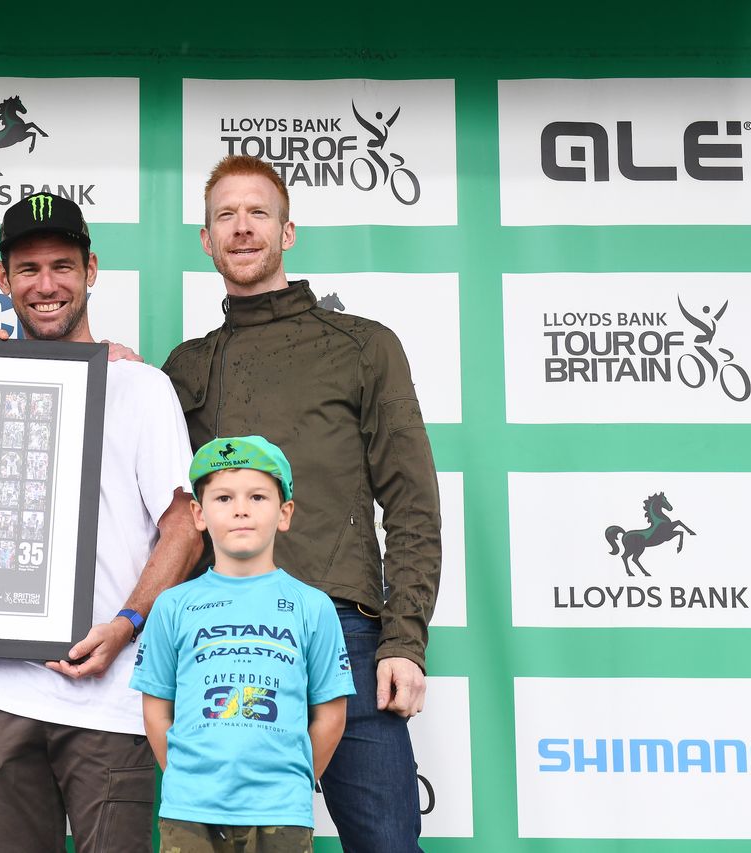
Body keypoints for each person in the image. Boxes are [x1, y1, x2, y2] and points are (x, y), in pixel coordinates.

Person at [162, 155, 441, 853]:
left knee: (386, 846)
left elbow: (412, 503)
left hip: (343, 635)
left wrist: (404, 638)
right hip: (223, 641)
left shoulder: (364, 347)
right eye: (225, 215)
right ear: (205, 239)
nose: (243, 227)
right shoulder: (185, 367)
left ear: (289, 232)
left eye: (259, 212)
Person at [0, 192, 202, 853]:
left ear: (92, 269)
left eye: (63, 264)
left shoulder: (142, 387)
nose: (47, 284)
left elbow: (184, 525)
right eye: (27, 269)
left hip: (112, 693)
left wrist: (127, 624)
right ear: (2, 280)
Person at [131, 435, 354, 853]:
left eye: (257, 496)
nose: (240, 509)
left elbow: (330, 716)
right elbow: (157, 710)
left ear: (284, 513)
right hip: (190, 811)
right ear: (198, 513)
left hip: (281, 812)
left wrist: (293, 783)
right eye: (222, 498)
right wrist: (188, 779)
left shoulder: (312, 606)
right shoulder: (173, 605)